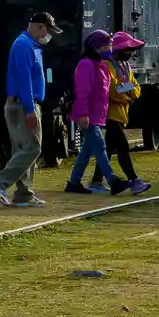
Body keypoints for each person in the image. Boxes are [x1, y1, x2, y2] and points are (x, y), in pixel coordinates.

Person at [0, 12, 58, 207]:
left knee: (23, 148)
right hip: (22, 104)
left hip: (24, 103)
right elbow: (24, 79)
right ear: (39, 26)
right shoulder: (24, 45)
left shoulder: (31, 45)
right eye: (48, 30)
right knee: (33, 147)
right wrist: (29, 109)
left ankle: (24, 193)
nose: (48, 35)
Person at [63, 30, 130, 197]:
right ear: (96, 47)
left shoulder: (102, 66)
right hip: (89, 115)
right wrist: (83, 114)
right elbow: (83, 92)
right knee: (100, 146)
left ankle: (74, 182)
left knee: (87, 150)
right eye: (107, 45)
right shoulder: (87, 65)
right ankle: (112, 180)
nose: (110, 49)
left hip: (97, 115)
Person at [91, 31, 151, 195]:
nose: (130, 54)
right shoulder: (107, 65)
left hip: (121, 113)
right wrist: (128, 93)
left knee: (109, 148)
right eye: (127, 50)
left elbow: (136, 89)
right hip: (110, 113)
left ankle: (96, 181)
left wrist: (126, 91)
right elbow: (112, 91)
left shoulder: (126, 67)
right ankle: (134, 180)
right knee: (123, 146)